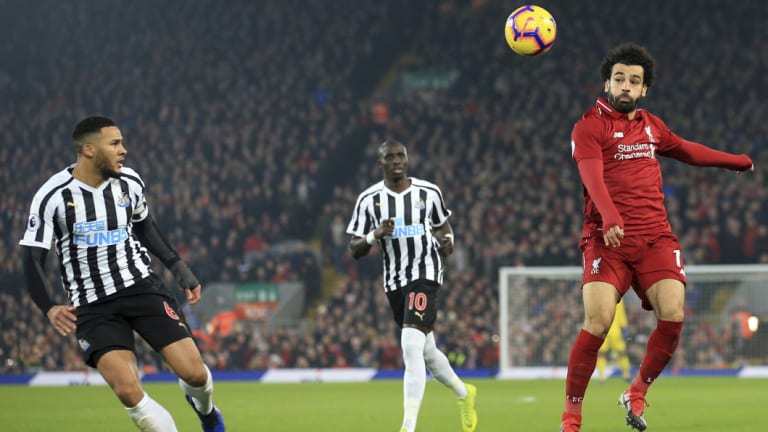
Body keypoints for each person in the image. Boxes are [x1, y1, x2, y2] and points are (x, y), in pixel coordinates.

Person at [560, 43, 754, 432]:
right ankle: (572, 416)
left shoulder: (651, 125)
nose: (626, 85)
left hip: (654, 239)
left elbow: (685, 150)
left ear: (644, 88)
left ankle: (637, 390)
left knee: (674, 313)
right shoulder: (588, 126)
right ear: (607, 82)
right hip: (606, 239)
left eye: (634, 80)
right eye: (619, 78)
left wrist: (734, 161)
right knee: (597, 321)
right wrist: (611, 215)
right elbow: (591, 175)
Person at [19, 116, 225, 432]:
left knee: (195, 374)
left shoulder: (129, 182)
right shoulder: (53, 196)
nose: (123, 150)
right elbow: (32, 258)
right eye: (114, 143)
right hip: (93, 306)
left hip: (141, 287)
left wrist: (178, 267)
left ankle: (208, 414)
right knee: (129, 392)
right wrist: (48, 306)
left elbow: (145, 226)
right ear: (89, 149)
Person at [347, 139, 477, 432]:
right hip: (394, 281)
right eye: (389, 157)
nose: (396, 161)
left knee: (409, 345)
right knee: (427, 351)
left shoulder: (428, 192)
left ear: (407, 160)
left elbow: (444, 227)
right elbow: (353, 249)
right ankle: (464, 393)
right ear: (380, 163)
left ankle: (407, 427)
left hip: (426, 272)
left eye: (400, 156)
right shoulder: (368, 200)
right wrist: (373, 236)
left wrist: (449, 242)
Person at [596, 298, 631, 382]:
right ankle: (601, 375)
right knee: (602, 353)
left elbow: (620, 313)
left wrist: (624, 326)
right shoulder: (603, 297)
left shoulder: (617, 297)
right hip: (605, 329)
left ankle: (626, 374)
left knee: (621, 352)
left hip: (613, 330)